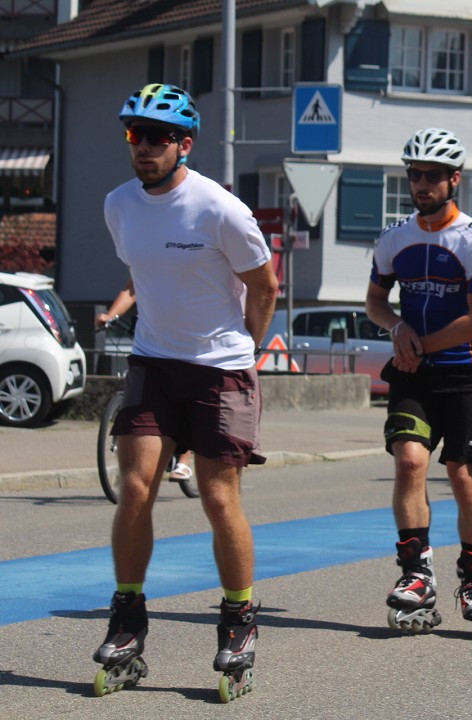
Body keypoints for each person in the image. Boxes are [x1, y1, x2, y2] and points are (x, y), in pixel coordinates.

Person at [93, 83, 278, 696]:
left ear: (184, 144)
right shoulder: (119, 204)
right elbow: (142, 272)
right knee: (136, 485)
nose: (143, 147)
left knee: (218, 498)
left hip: (221, 367)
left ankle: (239, 620)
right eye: (133, 134)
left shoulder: (220, 208)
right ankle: (127, 619)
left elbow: (265, 286)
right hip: (153, 361)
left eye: (157, 136)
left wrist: (247, 352)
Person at [366, 127, 472, 638]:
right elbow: (375, 302)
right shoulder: (395, 237)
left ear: (454, 180)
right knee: (409, 460)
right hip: (414, 371)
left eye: (432, 176)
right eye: (414, 175)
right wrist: (397, 327)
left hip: (466, 371)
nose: (421, 184)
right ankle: (417, 573)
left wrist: (422, 342)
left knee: (463, 477)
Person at [95, 289, 196, 482]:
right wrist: (110, 316)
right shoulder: (144, 259)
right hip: (148, 335)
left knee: (184, 394)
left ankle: (184, 458)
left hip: (183, 335)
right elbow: (131, 290)